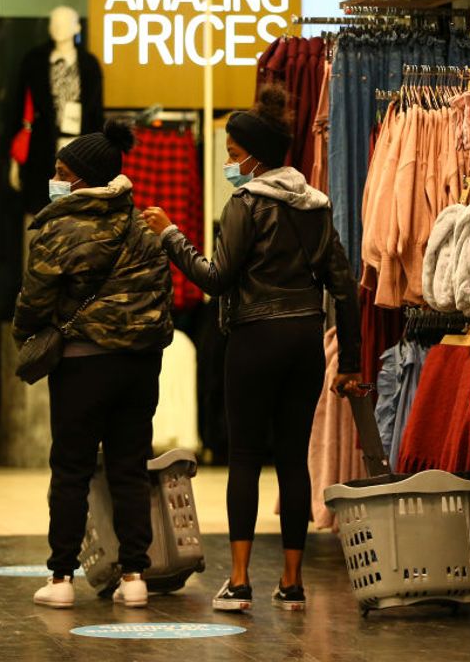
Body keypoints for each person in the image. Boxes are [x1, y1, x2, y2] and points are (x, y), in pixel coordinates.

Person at [142, 86, 362, 613]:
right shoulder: (316, 207)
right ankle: (292, 582)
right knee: (292, 459)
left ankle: (239, 583)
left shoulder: (244, 204)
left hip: (254, 339)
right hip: (304, 341)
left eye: (232, 152)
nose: (227, 161)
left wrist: (172, 235)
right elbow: (344, 286)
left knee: (243, 458)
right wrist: (349, 362)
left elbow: (215, 279)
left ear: (254, 157)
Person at [13, 121, 174, 610]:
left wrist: (29, 331)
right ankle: (134, 577)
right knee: (130, 469)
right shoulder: (142, 229)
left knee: (71, 470)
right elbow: (160, 296)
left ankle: (61, 579)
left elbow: (34, 300)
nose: (56, 179)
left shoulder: (59, 227)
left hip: (81, 365)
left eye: (63, 171)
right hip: (139, 368)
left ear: (84, 178)